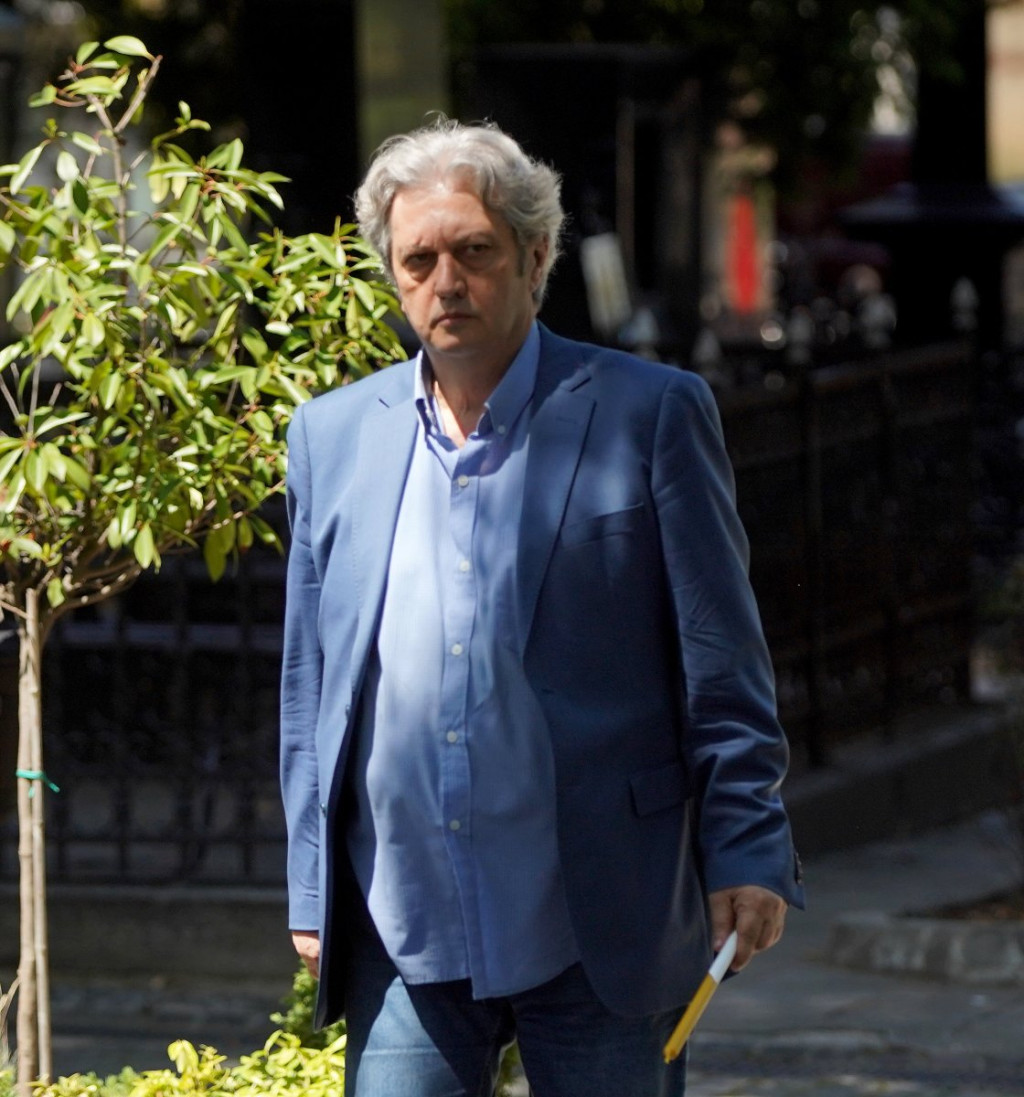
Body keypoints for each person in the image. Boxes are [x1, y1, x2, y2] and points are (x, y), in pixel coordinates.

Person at [279, 119, 804, 1097]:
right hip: (404, 917)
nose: (445, 281)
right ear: (392, 274)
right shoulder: (331, 436)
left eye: (474, 251)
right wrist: (312, 881)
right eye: (418, 260)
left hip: (598, 911)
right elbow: (315, 686)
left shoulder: (648, 412)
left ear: (534, 255)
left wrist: (748, 844)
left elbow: (719, 655)